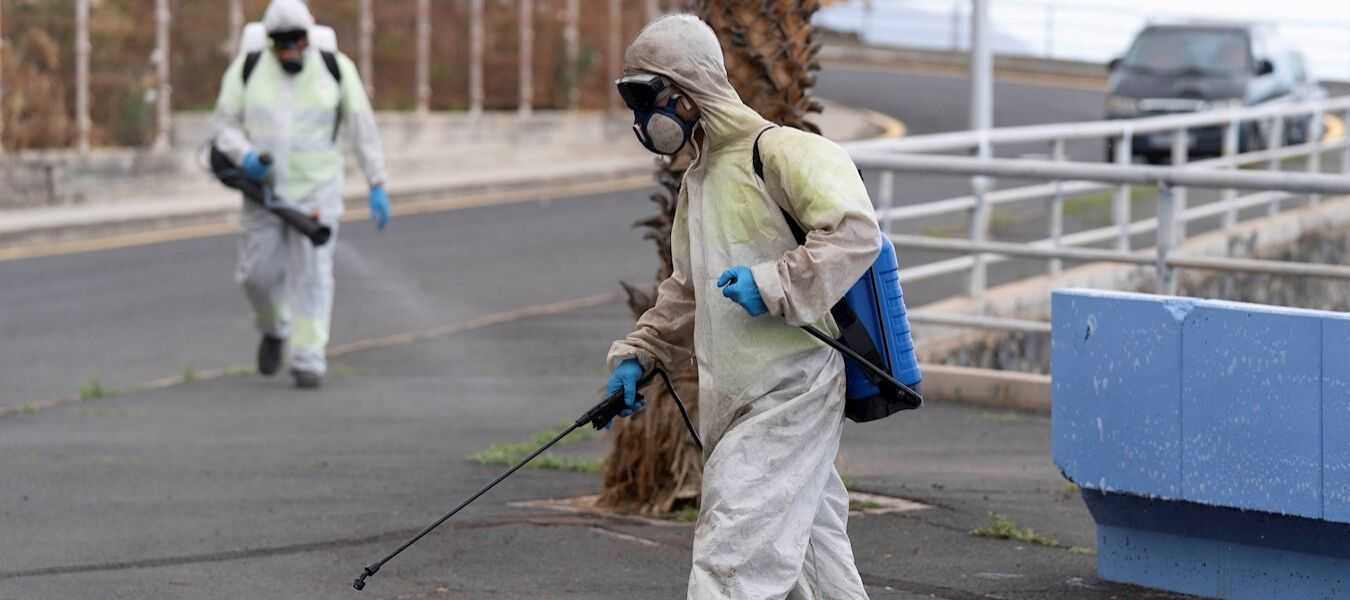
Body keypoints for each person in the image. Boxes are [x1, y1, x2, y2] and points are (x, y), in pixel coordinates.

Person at [606, 14, 880, 600]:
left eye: (648, 98)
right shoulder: (700, 181)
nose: (642, 120)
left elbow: (855, 233)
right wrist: (642, 353)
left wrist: (775, 283)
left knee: (730, 558)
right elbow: (686, 289)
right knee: (817, 564)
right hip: (736, 395)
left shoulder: (782, 152)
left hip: (792, 387)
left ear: (688, 90)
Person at [211, 0, 389, 389]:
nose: (289, 51)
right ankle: (274, 328)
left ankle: (309, 358)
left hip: (316, 193)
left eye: (296, 42)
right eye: (281, 44)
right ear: (270, 42)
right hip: (264, 194)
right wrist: (246, 156)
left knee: (313, 276)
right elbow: (223, 125)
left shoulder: (335, 68)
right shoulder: (249, 68)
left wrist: (376, 182)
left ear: (308, 39)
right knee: (256, 277)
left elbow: (362, 125)